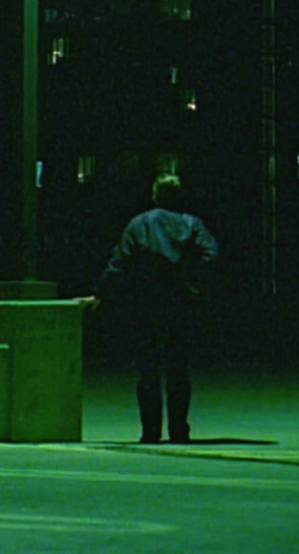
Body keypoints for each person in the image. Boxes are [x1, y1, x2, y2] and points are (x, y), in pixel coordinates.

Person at [78, 173, 218, 444]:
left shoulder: (139, 224)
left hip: (145, 304)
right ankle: (179, 429)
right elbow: (210, 254)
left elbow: (118, 263)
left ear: (155, 195)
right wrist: (195, 283)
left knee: (147, 371)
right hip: (180, 303)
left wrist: (100, 294)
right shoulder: (192, 223)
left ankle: (150, 431)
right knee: (178, 370)